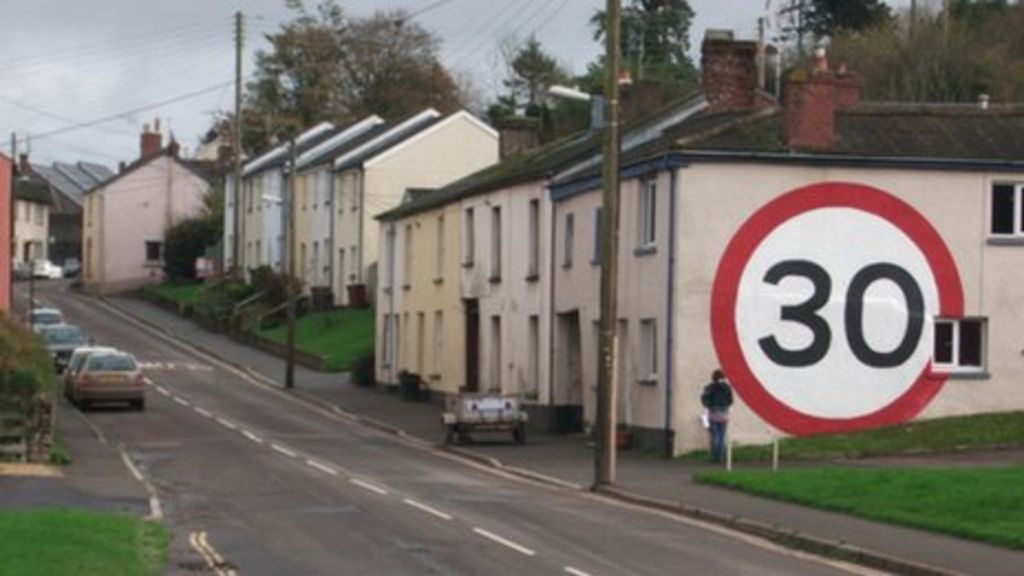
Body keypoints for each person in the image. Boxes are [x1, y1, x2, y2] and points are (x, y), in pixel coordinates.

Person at [701, 369, 733, 463]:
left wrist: (708, 405)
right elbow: (731, 400)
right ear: (723, 377)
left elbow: (704, 398)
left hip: (713, 411)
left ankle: (715, 457)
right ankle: (721, 457)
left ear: (713, 377)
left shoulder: (709, 387)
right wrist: (726, 405)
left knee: (714, 435)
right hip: (724, 412)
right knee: (722, 435)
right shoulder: (727, 388)